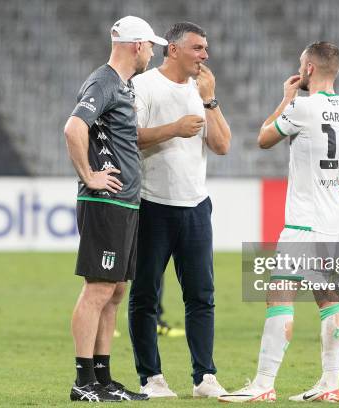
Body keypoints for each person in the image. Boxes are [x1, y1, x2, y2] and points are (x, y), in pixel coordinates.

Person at [219, 41, 339, 403]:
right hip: (337, 222)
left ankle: (263, 384)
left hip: (304, 223)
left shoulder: (303, 108)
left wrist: (285, 98)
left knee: (279, 295)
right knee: (328, 297)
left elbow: (263, 138)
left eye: (300, 65)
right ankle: (330, 384)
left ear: (308, 70)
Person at [63, 16, 167, 403]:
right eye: (151, 46)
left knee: (116, 290)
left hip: (123, 203)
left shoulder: (119, 84)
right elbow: (74, 128)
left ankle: (102, 379)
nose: (153, 52)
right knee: (98, 288)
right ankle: (82, 381)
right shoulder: (104, 81)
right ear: (137, 45)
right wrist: (89, 175)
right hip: (104, 202)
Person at [128, 21, 231, 398]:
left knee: (202, 296)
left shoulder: (201, 90)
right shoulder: (144, 86)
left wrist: (210, 100)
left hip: (196, 208)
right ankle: (150, 378)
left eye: (205, 48)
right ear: (174, 49)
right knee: (145, 296)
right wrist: (173, 127)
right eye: (198, 48)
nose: (205, 55)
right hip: (152, 205)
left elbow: (221, 146)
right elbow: (131, 136)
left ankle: (205, 378)